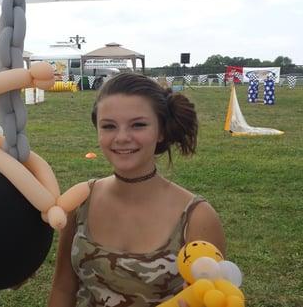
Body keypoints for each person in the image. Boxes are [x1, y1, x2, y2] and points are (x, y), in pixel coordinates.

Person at [47, 73, 226, 307]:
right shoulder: (80, 200)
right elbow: (63, 287)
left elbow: (216, 296)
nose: (122, 138)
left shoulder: (197, 218)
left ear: (161, 131)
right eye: (109, 126)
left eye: (138, 125)